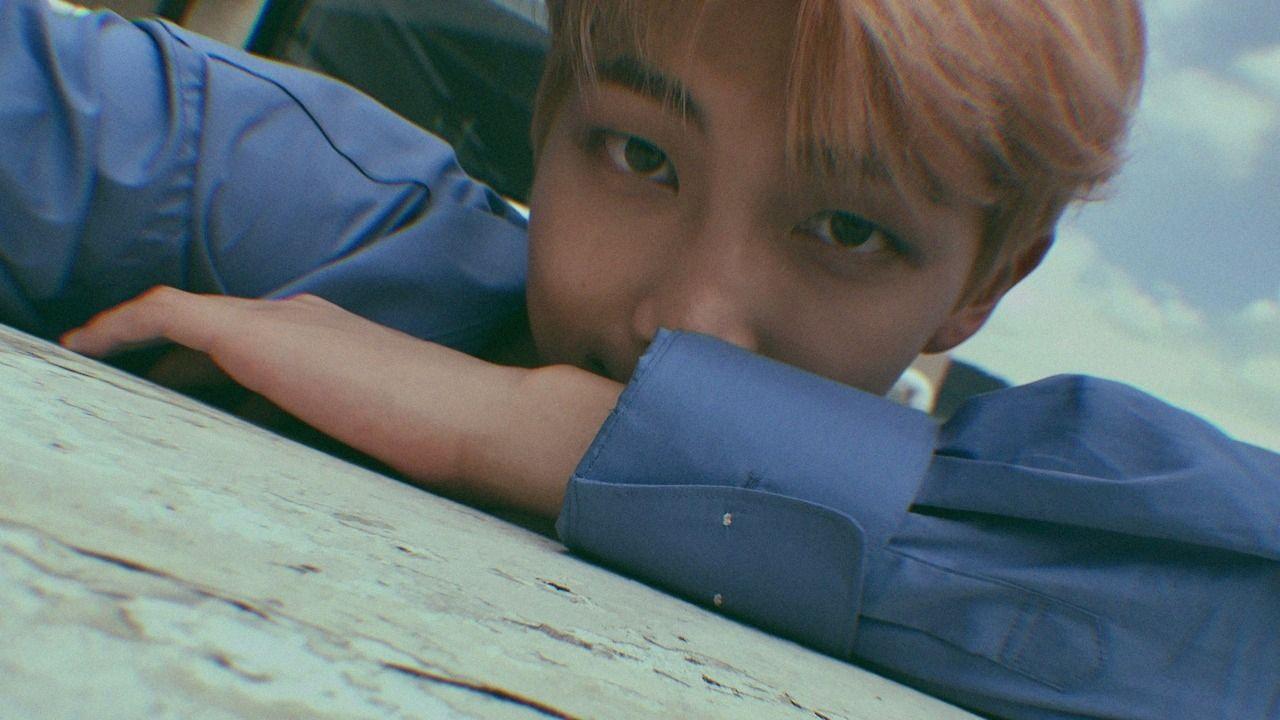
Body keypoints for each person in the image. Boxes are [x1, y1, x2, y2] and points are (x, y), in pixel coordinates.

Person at [2, 0, 1277, 717]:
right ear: (550, 111)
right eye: (639, 156)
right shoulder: (317, 224)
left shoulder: (1043, 528)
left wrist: (542, 434)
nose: (691, 318)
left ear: (983, 286)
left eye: (847, 231)